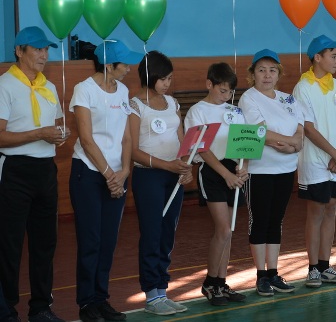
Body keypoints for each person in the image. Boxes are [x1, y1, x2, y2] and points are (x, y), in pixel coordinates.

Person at [69, 39, 142, 322]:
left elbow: (126, 137)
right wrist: (110, 175)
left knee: (108, 241)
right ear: (109, 65)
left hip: (116, 175)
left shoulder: (122, 91)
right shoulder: (84, 90)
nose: (129, 68)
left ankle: (101, 299)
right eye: (124, 64)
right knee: (91, 240)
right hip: (88, 173)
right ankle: (87, 303)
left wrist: (124, 172)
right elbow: (87, 140)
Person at [0, 27, 69, 322]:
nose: (43, 55)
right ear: (19, 51)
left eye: (46, 49)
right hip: (15, 171)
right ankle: (6, 309)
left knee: (45, 243)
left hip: (45, 170)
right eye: (37, 49)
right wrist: (39, 134)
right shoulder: (5, 85)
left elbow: (56, 125)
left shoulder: (48, 87)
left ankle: (41, 307)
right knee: (10, 244)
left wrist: (59, 135)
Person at [129, 51, 192, 315]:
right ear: (149, 76)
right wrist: (166, 165)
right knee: (152, 233)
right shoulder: (135, 106)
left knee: (167, 233)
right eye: (163, 78)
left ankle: (162, 291)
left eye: (170, 79)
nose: (167, 83)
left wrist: (186, 166)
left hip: (173, 175)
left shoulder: (172, 103)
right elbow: (133, 150)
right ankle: (151, 295)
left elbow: (182, 140)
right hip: (148, 176)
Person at [238, 49, 303, 296]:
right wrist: (290, 142)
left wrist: (293, 145)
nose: (267, 75)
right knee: (260, 221)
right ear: (252, 74)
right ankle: (260, 276)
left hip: (286, 168)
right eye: (261, 70)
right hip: (260, 170)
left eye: (272, 70)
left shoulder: (288, 99)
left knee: (276, 220)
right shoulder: (249, 98)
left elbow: (300, 130)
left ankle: (273, 272)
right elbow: (260, 132)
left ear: (279, 74)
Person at [184, 62, 248, 305]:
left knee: (229, 231)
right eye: (222, 90)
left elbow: (245, 142)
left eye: (230, 91)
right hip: (213, 172)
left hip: (233, 171)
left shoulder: (235, 111)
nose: (227, 95)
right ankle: (210, 283)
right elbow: (201, 148)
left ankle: (221, 283)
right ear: (209, 84)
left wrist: (243, 167)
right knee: (223, 229)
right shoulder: (197, 111)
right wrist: (225, 175)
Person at [292, 35, 336, 288]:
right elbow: (308, 128)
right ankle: (313, 268)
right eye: (333, 56)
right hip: (315, 160)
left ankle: (326, 265)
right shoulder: (303, 87)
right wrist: (334, 154)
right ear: (318, 57)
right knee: (316, 210)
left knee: (332, 208)